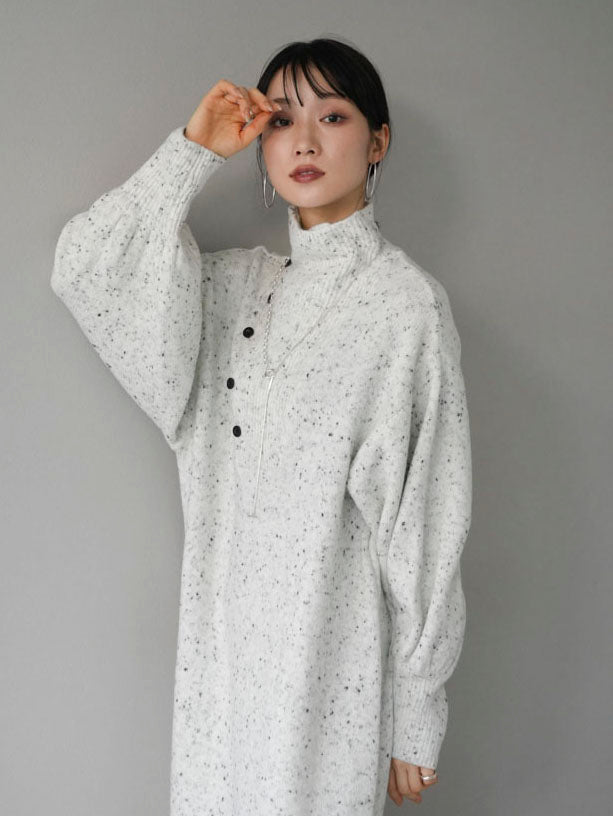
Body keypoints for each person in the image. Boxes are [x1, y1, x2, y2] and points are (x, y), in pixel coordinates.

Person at [51, 37, 472, 815]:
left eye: (332, 117)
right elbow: (86, 266)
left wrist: (417, 711)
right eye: (281, 120)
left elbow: (423, 523)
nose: (304, 141)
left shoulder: (404, 308)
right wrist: (192, 152)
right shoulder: (229, 292)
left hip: (330, 677)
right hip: (215, 677)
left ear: (377, 141)